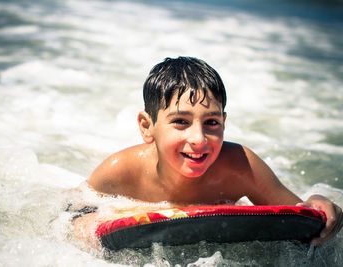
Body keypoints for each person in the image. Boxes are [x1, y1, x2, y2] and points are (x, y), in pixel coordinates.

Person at [72, 56, 342, 246]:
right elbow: (71, 210)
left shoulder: (239, 166)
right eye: (181, 122)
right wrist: (83, 224)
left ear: (224, 122)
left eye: (211, 123)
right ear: (147, 126)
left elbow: (296, 214)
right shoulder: (121, 170)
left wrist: (321, 203)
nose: (199, 139)